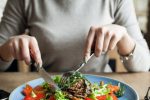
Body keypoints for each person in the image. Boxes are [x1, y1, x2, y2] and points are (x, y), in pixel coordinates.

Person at [0, 0, 150, 72]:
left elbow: (144, 65)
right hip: (44, 89)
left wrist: (124, 38)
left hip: (100, 92)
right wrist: (7, 49)